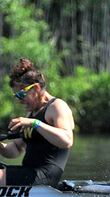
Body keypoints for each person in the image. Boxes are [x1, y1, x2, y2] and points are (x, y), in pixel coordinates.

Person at [0, 58, 75, 187]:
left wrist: (35, 123)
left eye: (21, 95)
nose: (19, 101)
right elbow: (17, 149)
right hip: (30, 173)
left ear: (36, 88)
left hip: (46, 175)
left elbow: (67, 140)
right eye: (16, 96)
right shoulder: (32, 113)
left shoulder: (57, 107)